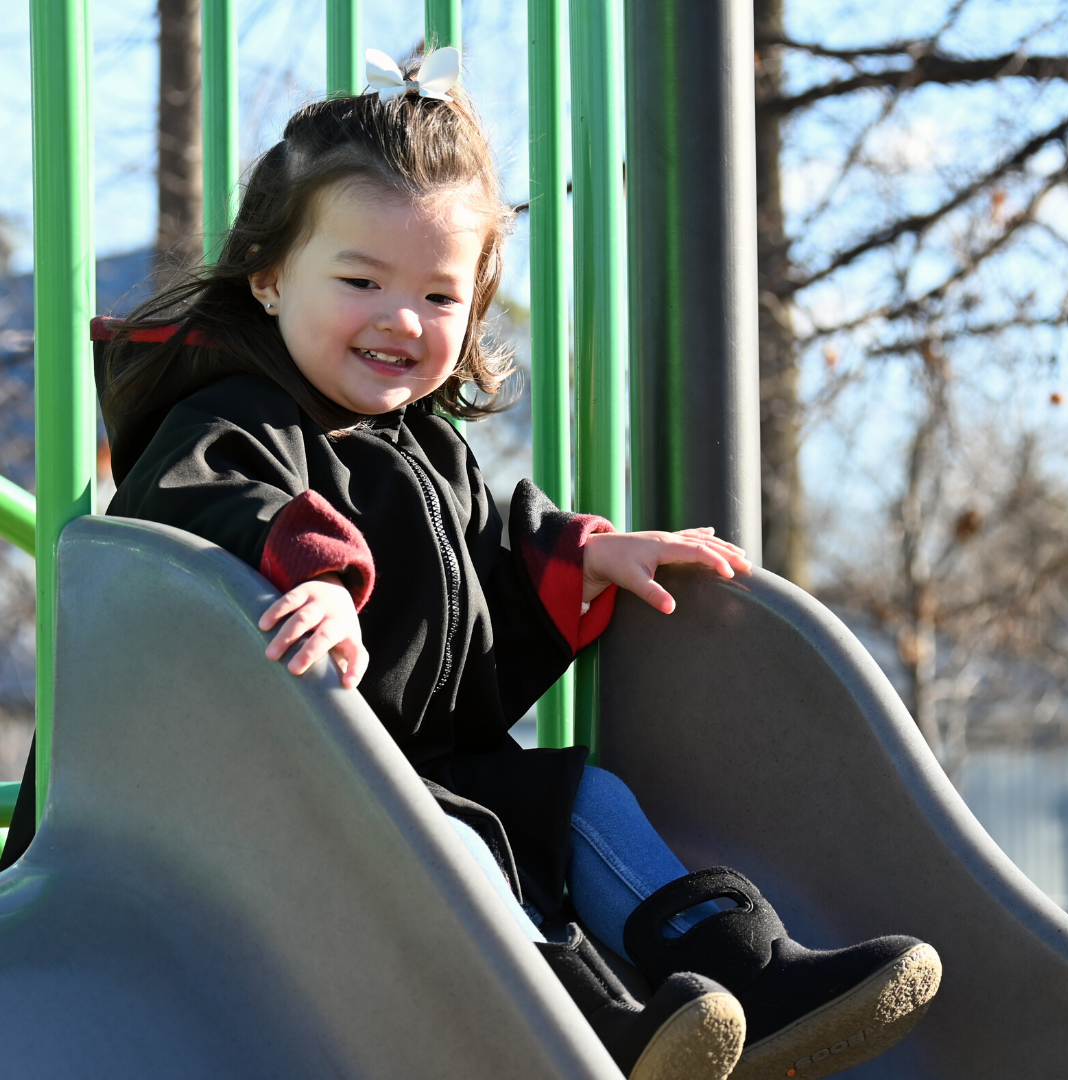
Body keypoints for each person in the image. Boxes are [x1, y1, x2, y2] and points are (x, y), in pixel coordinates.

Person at [98, 48, 941, 1080]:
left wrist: (588, 556)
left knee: (579, 799)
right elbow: (212, 504)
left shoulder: (431, 449)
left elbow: (490, 553)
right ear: (270, 277)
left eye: (442, 297)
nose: (405, 319)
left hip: (419, 772)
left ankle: (746, 976)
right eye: (361, 280)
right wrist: (314, 576)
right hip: (272, 798)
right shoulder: (228, 416)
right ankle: (573, 1022)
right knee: (455, 841)